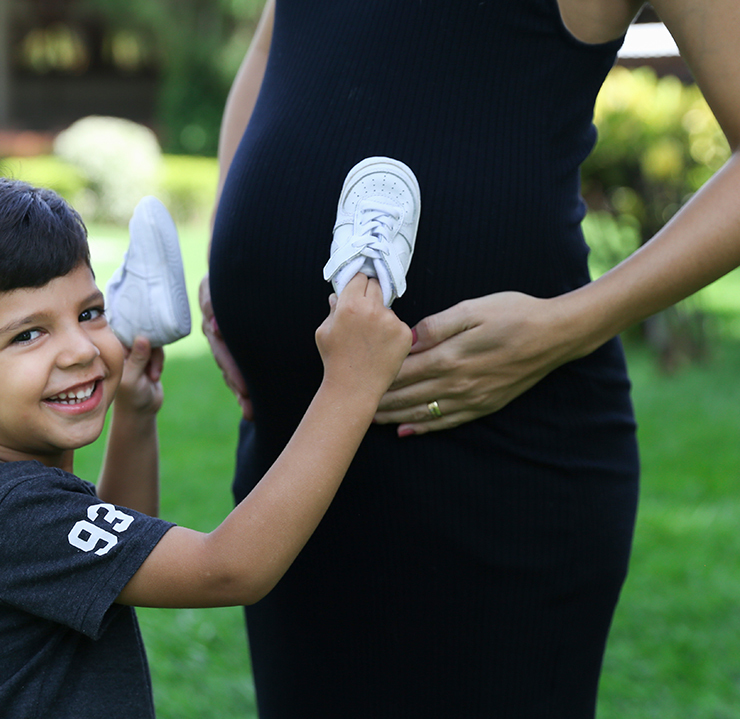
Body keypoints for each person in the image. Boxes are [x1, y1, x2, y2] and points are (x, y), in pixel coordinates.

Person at [201, 0, 740, 717]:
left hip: (493, 464)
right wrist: (228, 260)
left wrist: (568, 325)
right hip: (296, 448)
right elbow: (278, 43)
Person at [0, 174, 412, 718]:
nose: (79, 350)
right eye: (28, 334)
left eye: (91, 313)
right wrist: (351, 382)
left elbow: (112, 559)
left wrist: (135, 416)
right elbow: (231, 569)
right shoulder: (4, 515)